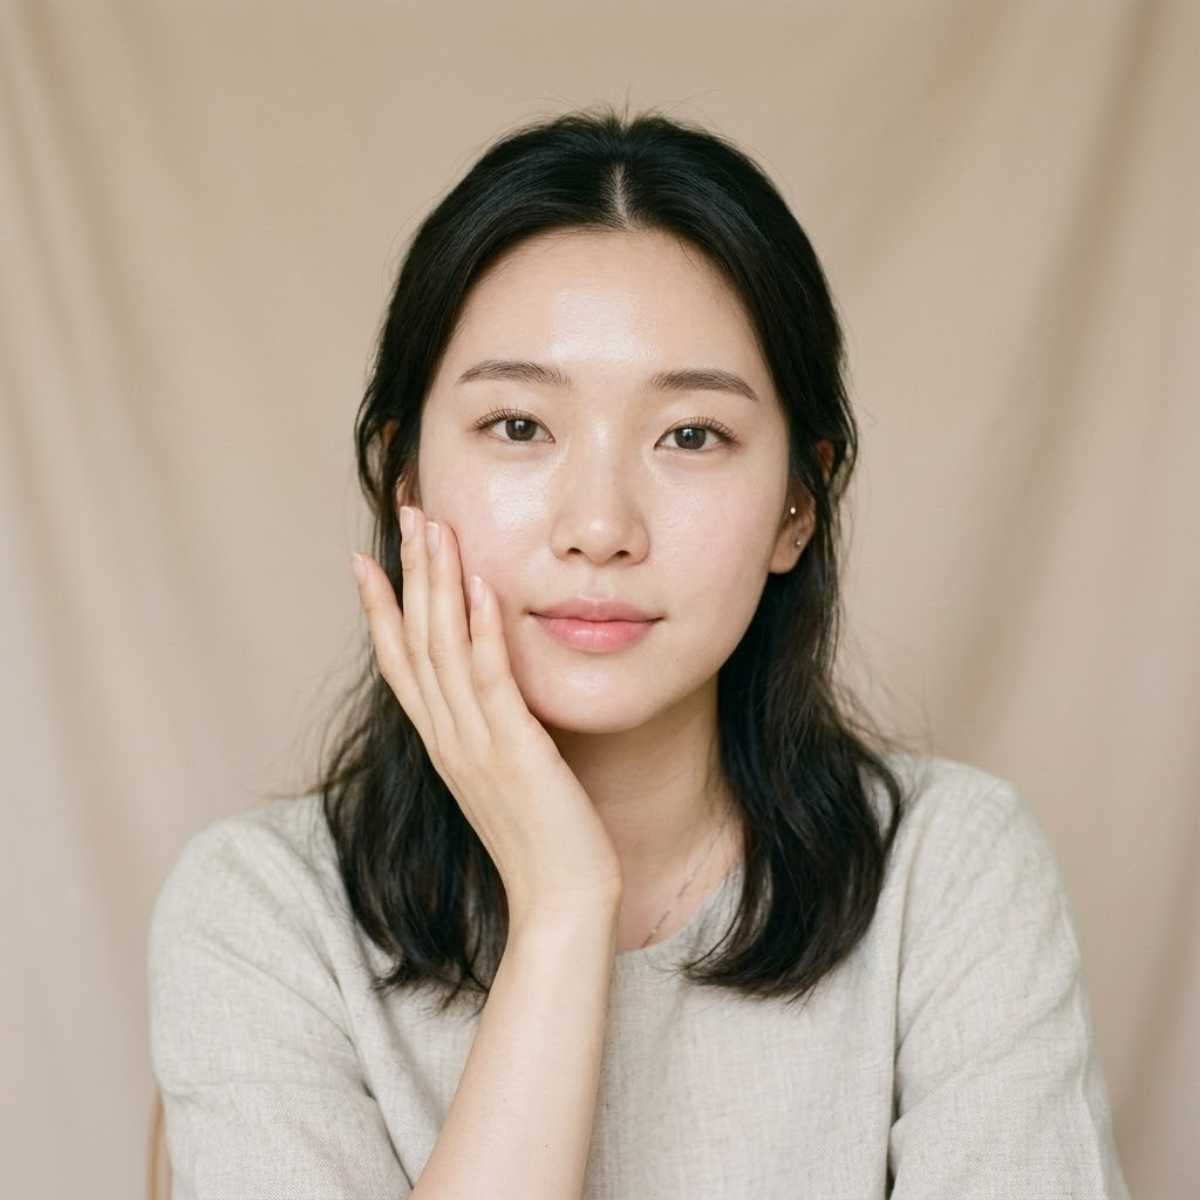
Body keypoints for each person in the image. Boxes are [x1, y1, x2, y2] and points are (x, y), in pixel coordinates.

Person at [147, 103, 1131, 1199]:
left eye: (691, 435)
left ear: (797, 507)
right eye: (519, 426)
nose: (601, 525)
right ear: (405, 477)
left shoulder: (946, 872)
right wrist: (564, 905)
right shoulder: (267, 913)